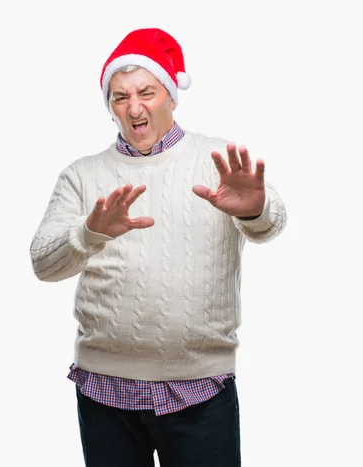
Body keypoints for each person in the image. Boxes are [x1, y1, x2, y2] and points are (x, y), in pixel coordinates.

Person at [29, 27, 287, 467]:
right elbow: (43, 263)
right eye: (119, 97)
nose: (134, 108)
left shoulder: (218, 159)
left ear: (171, 94)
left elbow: (271, 226)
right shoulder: (82, 174)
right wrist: (90, 232)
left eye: (146, 92)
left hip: (199, 390)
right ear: (110, 107)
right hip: (104, 391)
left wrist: (254, 208)